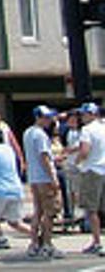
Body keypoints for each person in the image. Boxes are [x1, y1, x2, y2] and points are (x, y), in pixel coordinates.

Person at [23, 104, 63, 258]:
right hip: (44, 178)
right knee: (50, 212)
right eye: (46, 117)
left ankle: (34, 244)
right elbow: (44, 157)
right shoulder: (40, 135)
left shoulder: (28, 132)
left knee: (38, 211)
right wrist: (53, 178)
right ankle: (47, 244)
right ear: (38, 118)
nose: (49, 120)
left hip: (33, 177)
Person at [77, 101, 105, 254]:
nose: (82, 117)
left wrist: (77, 162)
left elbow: (85, 151)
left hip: (92, 170)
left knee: (91, 209)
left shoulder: (87, 130)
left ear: (92, 114)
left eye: (84, 114)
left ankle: (97, 241)